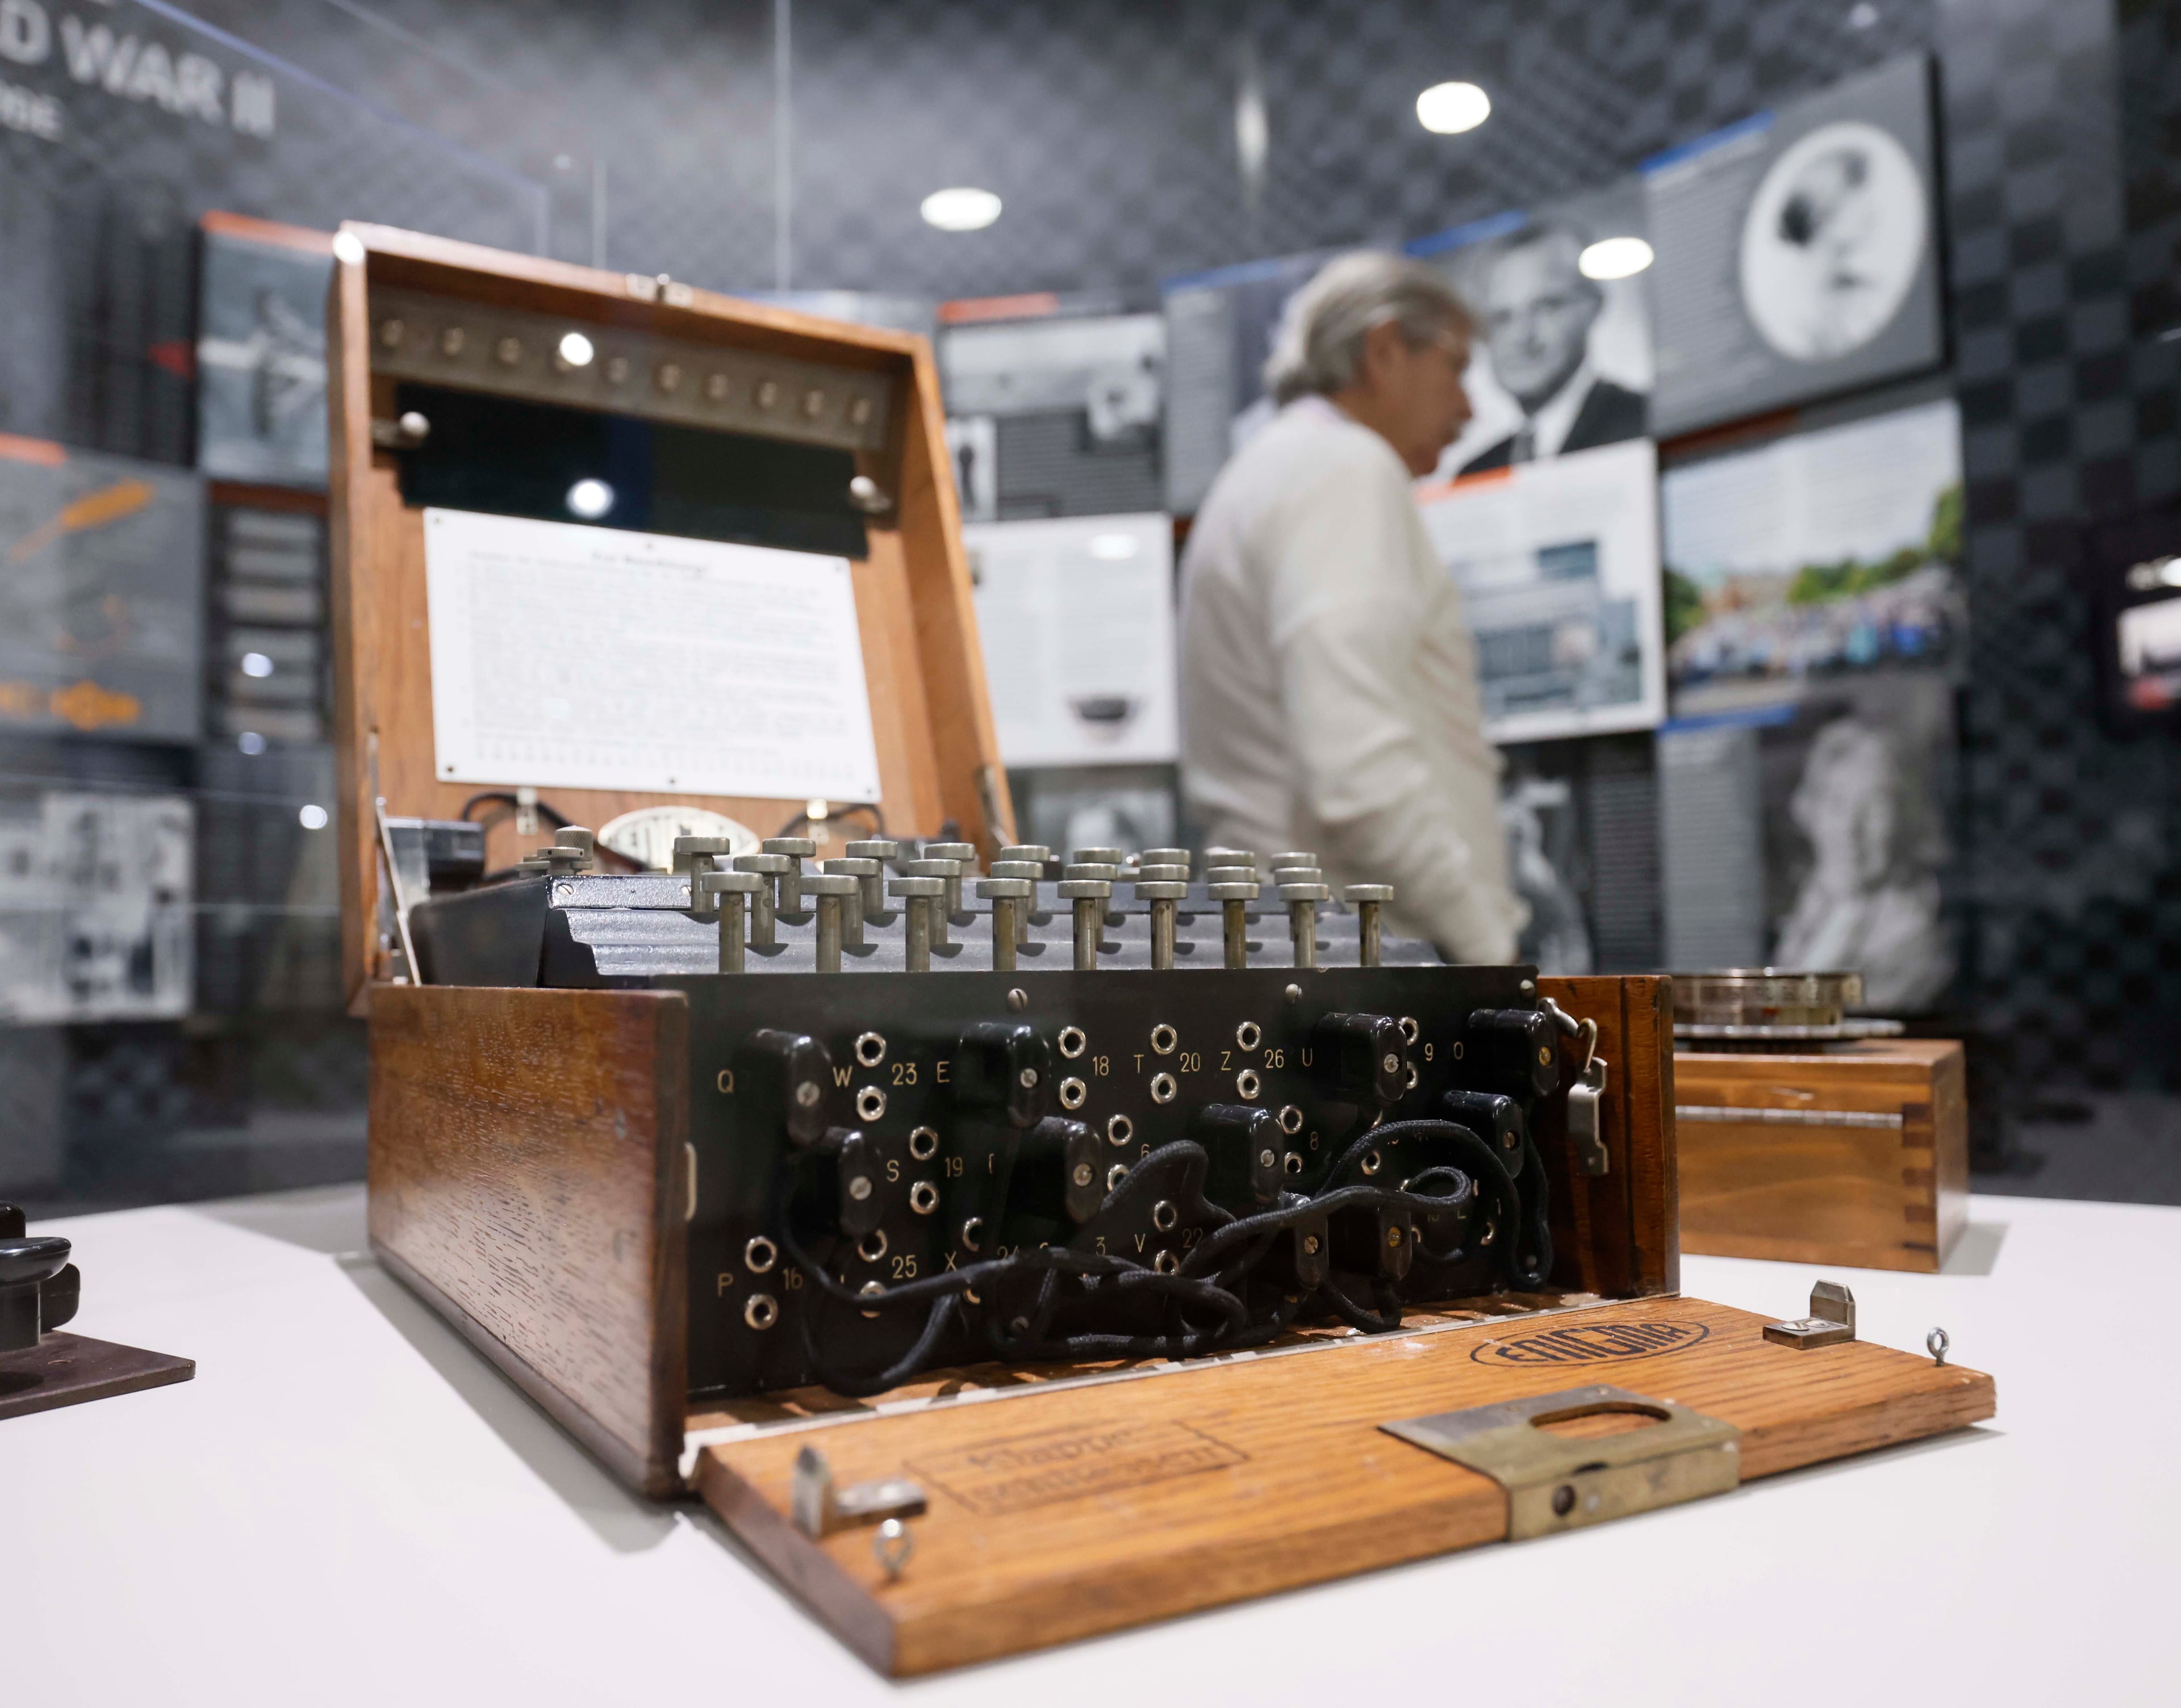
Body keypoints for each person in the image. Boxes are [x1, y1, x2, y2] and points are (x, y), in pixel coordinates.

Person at [1179, 251, 1525, 964]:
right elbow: (1356, 771)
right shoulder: (1343, 469)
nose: (1468, 408)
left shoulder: (1269, 471)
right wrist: (1490, 954)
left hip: (1305, 950)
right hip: (1366, 961)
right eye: (1457, 367)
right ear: (1385, 349)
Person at [1456, 223, 1646, 474]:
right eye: (1501, 318)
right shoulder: (1477, 474)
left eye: (1546, 307)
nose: (1522, 336)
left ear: (1592, 306)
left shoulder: (1645, 423)